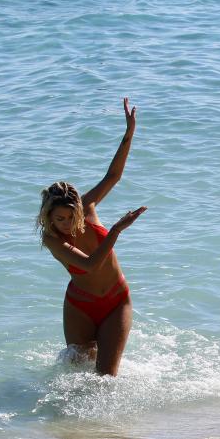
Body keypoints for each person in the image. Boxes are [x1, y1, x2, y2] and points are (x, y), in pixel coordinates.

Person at [35, 98, 147, 376]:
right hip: (79, 307)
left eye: (70, 217)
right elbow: (89, 265)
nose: (65, 224)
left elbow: (113, 175)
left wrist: (129, 133)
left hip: (115, 300)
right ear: (48, 217)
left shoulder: (89, 207)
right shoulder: (51, 239)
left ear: (79, 211)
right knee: (75, 374)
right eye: (58, 219)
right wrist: (116, 231)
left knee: (105, 377)